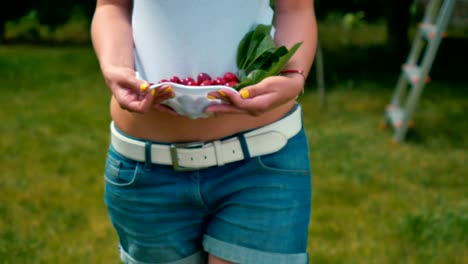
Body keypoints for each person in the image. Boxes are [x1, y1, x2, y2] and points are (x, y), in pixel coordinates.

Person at [91, 0, 317, 263]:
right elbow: (111, 6)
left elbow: (295, 8)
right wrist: (116, 70)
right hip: (146, 171)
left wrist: (293, 76)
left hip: (262, 162)